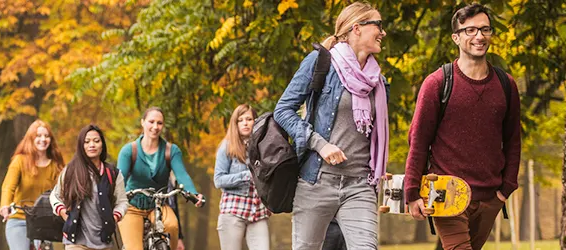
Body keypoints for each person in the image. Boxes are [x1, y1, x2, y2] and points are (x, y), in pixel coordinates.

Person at [273, 2, 389, 249]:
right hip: (317, 182)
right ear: (356, 28)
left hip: (359, 185)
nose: (383, 32)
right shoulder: (320, 63)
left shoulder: (377, 80)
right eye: (378, 25)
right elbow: (283, 110)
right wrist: (319, 144)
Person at [404, 4, 521, 250]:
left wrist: (505, 189)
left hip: (490, 197)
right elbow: (419, 142)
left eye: (485, 29)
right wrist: (412, 193)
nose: (479, 36)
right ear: (456, 37)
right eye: (470, 30)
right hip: (446, 193)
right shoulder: (437, 83)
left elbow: (512, 141)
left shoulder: (506, 84)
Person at [117, 107, 205, 250]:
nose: (155, 127)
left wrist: (193, 194)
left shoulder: (171, 151)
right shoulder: (129, 151)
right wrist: (114, 199)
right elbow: (120, 180)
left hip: (158, 205)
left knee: (172, 225)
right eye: (151, 122)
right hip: (132, 206)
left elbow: (182, 175)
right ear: (143, 122)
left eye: (159, 123)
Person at [50, 124, 128, 250]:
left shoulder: (113, 173)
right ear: (81, 146)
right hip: (76, 241)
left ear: (102, 144)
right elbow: (55, 196)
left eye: (96, 141)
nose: (92, 145)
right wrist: (63, 213)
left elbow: (122, 202)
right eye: (87, 142)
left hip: (105, 241)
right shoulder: (71, 170)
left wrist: (114, 217)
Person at [0, 120, 66, 250]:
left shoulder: (56, 165)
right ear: (31, 139)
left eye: (46, 136)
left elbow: (63, 191)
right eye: (38, 136)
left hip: (44, 221)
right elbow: (8, 186)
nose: (43, 139)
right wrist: (5, 205)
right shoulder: (20, 161)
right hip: (19, 219)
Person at [213, 104, 272, 250]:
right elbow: (218, 180)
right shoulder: (227, 147)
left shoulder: (263, 147)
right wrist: (247, 175)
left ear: (255, 121)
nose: (245, 123)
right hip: (233, 209)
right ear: (235, 124)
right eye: (240, 120)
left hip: (258, 212)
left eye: (249, 119)